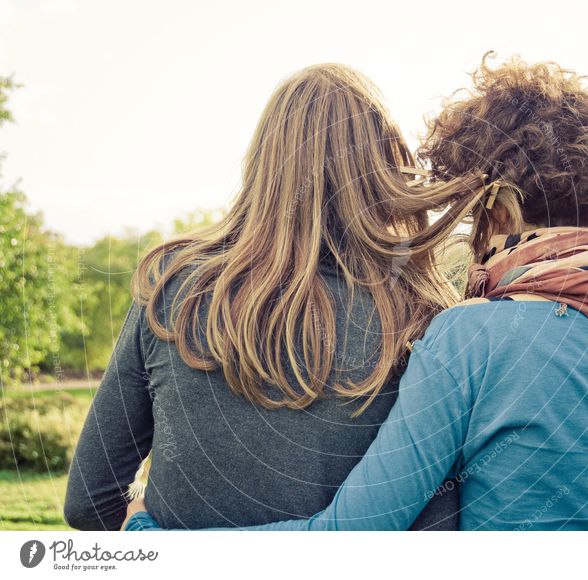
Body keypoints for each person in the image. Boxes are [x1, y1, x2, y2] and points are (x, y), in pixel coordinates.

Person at [126, 55, 588, 532]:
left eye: (473, 212)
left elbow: (354, 533)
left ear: (501, 204)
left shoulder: (469, 337)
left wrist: (161, 545)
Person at [64, 63, 470, 530]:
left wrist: (143, 517)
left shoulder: (171, 287)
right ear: (379, 165)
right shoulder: (422, 313)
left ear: (262, 164)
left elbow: (88, 501)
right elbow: (438, 523)